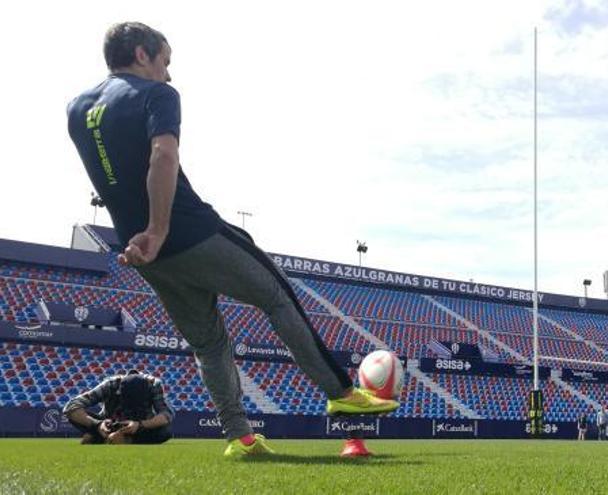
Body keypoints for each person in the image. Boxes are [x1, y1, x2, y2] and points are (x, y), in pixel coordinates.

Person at [67, 22, 399, 457]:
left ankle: (239, 438)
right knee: (278, 295)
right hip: (186, 230)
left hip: (142, 251)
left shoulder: (77, 107)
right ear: (142, 54)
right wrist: (161, 227)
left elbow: (110, 176)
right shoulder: (157, 95)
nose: (168, 74)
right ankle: (339, 390)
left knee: (208, 342)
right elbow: (163, 155)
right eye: (165, 61)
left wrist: (145, 236)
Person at [63, 369, 173, 445]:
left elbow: (166, 415)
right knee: (75, 415)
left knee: (164, 433)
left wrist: (140, 425)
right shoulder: (110, 384)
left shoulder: (154, 385)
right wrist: (97, 424)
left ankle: (101, 438)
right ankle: (109, 436)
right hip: (107, 424)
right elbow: (71, 406)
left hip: (139, 427)